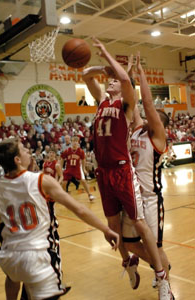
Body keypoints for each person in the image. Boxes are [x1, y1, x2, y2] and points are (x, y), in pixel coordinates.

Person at [82, 38, 173, 299]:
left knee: (151, 242)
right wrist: (103, 68)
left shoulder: (150, 131)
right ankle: (131, 262)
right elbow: (93, 77)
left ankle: (162, 276)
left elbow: (135, 94)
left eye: (114, 82)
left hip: (140, 187)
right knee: (119, 233)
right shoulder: (121, 118)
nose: (110, 83)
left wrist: (122, 69)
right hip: (107, 173)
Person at [0, 138, 119, 300]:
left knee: (14, 279)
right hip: (37, 256)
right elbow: (80, 209)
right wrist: (106, 229)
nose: (28, 151)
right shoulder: (41, 180)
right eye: (23, 149)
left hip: (9, 257)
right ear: (17, 160)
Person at [121, 52, 174, 298]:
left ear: (160, 124)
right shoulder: (138, 131)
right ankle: (159, 266)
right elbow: (134, 105)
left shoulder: (158, 138)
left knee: (158, 245)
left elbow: (148, 104)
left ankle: (167, 287)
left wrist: (141, 72)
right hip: (132, 197)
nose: (148, 115)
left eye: (154, 117)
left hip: (151, 199)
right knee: (129, 243)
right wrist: (129, 75)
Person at [61, 136, 95, 201]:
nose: (75, 143)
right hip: (68, 168)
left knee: (83, 181)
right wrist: (61, 167)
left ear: (78, 142)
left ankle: (89, 194)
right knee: (64, 182)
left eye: (76, 141)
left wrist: (84, 168)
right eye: (73, 141)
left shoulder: (81, 151)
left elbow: (83, 160)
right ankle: (64, 196)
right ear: (71, 142)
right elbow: (62, 159)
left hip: (77, 168)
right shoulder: (67, 151)